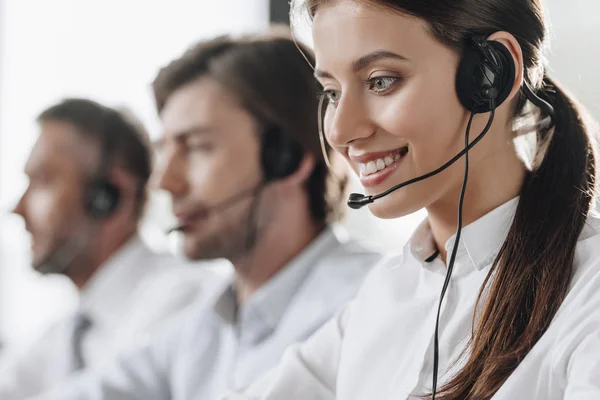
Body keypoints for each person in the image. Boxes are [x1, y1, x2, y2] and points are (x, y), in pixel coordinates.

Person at [217, 0, 600, 399]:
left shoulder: (589, 290)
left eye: (380, 81)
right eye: (331, 92)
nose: (340, 131)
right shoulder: (383, 295)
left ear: (490, 73)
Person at [30, 27, 381, 400]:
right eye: (166, 150)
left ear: (287, 158)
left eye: (196, 148)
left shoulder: (370, 302)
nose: (165, 182)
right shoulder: (201, 323)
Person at [1, 99, 221, 399]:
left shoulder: (185, 297)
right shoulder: (66, 332)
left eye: (42, 181)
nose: (18, 209)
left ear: (107, 196)